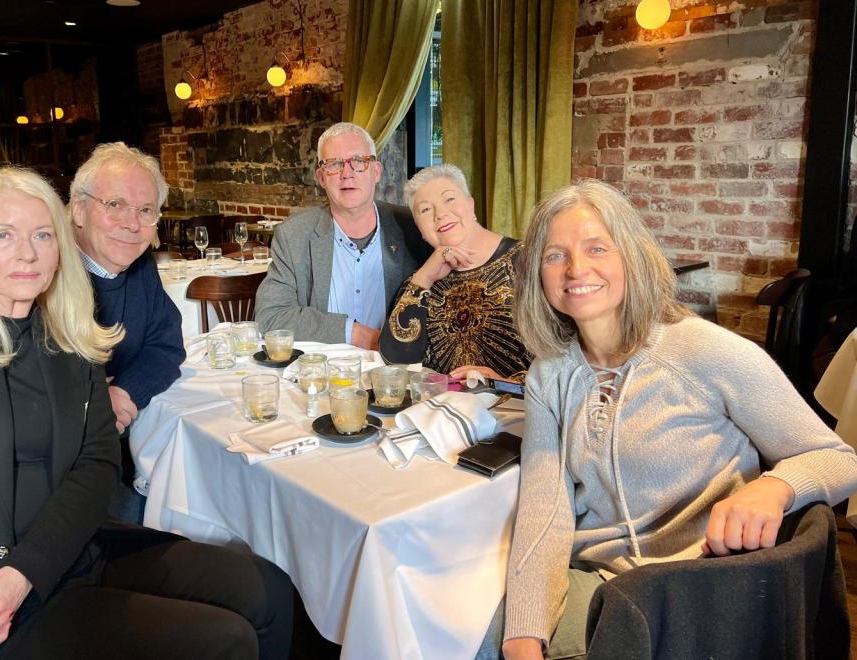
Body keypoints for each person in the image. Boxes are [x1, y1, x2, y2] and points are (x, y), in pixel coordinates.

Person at [0, 167, 293, 660]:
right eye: (4, 234)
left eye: (42, 235)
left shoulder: (69, 336)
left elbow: (97, 463)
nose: (27, 253)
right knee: (223, 640)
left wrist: (26, 571)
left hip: (72, 549)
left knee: (268, 588)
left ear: (60, 248)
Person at [488, 179, 857, 660]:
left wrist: (775, 487)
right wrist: (524, 631)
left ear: (632, 256)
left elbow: (839, 458)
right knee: (483, 640)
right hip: (603, 581)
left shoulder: (705, 350)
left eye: (597, 247)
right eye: (554, 255)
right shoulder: (547, 375)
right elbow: (546, 508)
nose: (576, 268)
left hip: (703, 586)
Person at [69, 143, 186, 520]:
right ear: (78, 209)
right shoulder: (46, 273)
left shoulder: (139, 265)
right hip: (61, 470)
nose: (132, 224)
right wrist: (91, 399)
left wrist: (122, 391)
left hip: (125, 447)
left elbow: (167, 346)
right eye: (115, 204)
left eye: (145, 210)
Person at [255, 122, 429, 349]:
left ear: (376, 171)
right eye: (334, 164)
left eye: (358, 161)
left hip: (395, 365)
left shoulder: (412, 226)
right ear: (321, 177)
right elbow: (271, 317)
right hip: (323, 366)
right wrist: (355, 333)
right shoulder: (293, 235)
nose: (347, 174)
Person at [380, 164, 531, 381]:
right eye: (425, 210)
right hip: (439, 402)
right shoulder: (417, 284)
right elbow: (395, 363)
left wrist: (506, 384)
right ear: (420, 228)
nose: (440, 214)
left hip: (519, 402)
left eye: (449, 199)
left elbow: (565, 359)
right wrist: (424, 278)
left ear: (471, 205)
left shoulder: (528, 260)